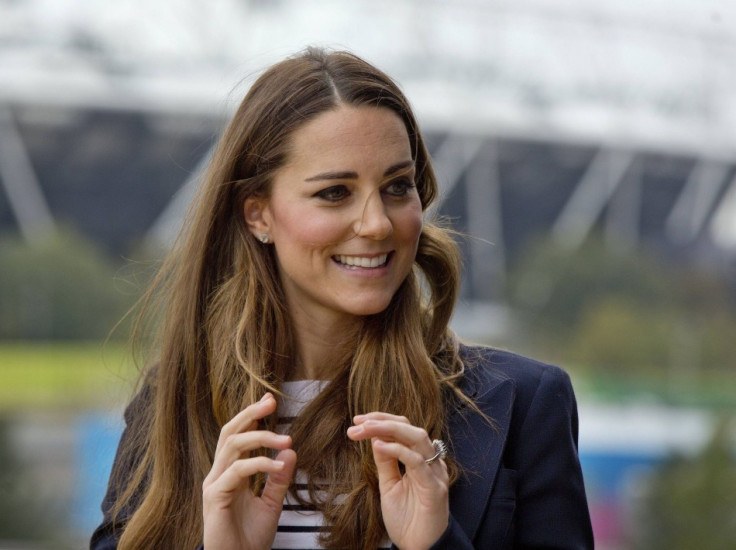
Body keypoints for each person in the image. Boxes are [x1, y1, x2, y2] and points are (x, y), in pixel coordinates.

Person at [90, 47, 594, 550]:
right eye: (335, 192)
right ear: (257, 215)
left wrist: (436, 546)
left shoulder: (525, 402)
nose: (377, 224)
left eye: (398, 187)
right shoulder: (174, 403)